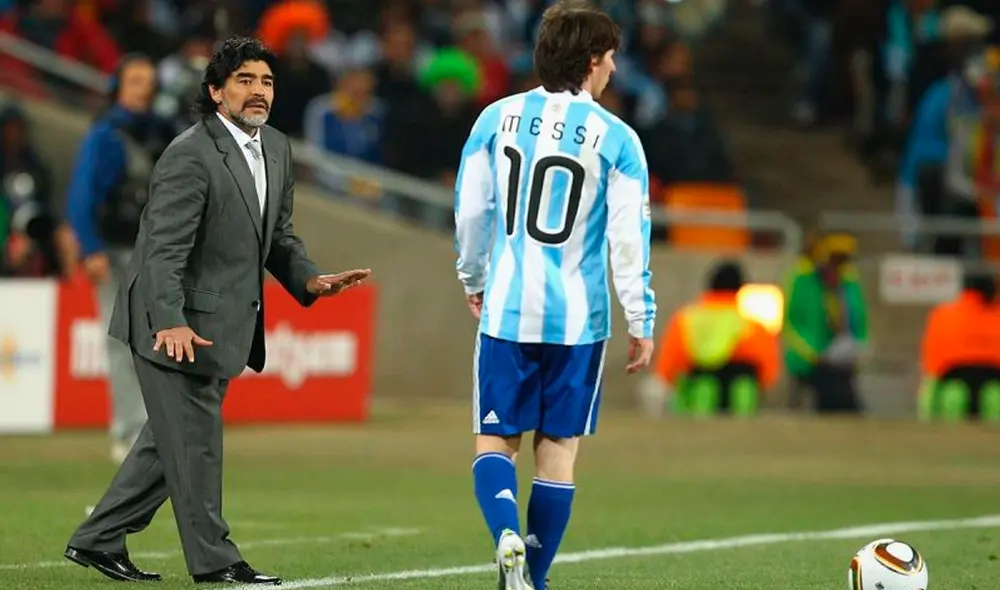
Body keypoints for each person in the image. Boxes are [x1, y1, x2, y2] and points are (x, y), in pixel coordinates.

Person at [63, 35, 371, 586]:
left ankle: (98, 537)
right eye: (245, 81)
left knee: (168, 445)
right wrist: (171, 320)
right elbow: (161, 250)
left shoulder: (276, 148)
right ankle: (217, 562)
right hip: (171, 323)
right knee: (196, 445)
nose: (259, 92)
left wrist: (309, 278)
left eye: (267, 81)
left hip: (220, 324)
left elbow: (277, 235)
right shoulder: (188, 153)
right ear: (216, 91)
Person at [453, 3, 656, 589]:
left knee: (495, 439)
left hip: (508, 307)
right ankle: (533, 580)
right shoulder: (618, 140)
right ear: (592, 60)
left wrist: (474, 278)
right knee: (558, 452)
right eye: (611, 57)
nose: (615, 69)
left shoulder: (497, 117)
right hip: (577, 321)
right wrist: (641, 318)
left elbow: (471, 210)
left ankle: (505, 536)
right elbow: (627, 240)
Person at [65, 53, 175, 464]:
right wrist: (90, 247)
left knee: (157, 339)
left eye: (149, 81)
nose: (144, 88)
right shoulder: (106, 134)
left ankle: (153, 428)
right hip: (114, 247)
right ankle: (129, 431)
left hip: (156, 248)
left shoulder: (163, 131)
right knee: (122, 340)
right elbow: (82, 195)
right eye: (135, 81)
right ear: (119, 88)